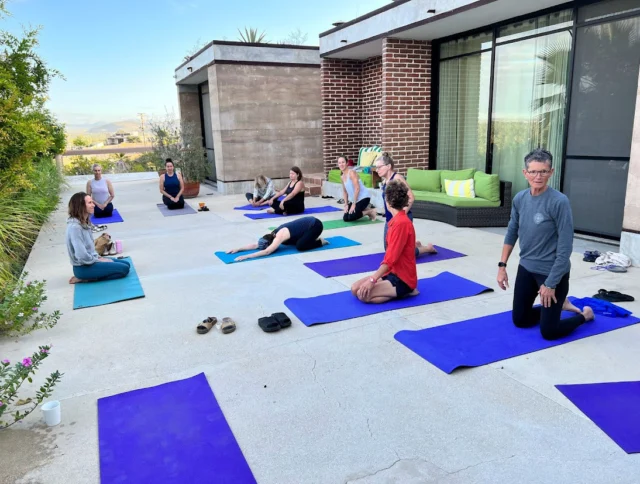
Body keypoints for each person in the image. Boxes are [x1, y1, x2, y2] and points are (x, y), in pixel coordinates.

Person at [497, 148, 594, 340]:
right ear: (525, 173)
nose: (538, 176)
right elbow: (511, 232)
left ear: (551, 172)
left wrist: (550, 283)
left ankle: (584, 315)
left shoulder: (559, 202)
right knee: (520, 320)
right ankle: (561, 304)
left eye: (543, 171)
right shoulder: (520, 198)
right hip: (527, 268)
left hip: (552, 272)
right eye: (533, 171)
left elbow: (565, 248)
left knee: (549, 332)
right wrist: (502, 266)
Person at [351, 181, 419, 303]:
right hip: (392, 273)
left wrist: (372, 280)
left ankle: (407, 291)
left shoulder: (401, 224)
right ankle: (397, 291)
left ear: (388, 202)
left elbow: (390, 259)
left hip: (403, 279)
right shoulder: (395, 221)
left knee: (363, 296)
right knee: (355, 289)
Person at [374, 152, 436, 257]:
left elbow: (411, 197)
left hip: (402, 219)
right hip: (390, 219)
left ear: (388, 166)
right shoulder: (385, 181)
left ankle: (427, 248)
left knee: (399, 254)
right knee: (388, 250)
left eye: (379, 167)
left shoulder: (397, 178)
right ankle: (415, 245)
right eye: (376, 168)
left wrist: (401, 215)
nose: (377, 170)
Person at [66, 192, 130, 284]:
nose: (93, 205)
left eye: (92, 202)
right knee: (124, 269)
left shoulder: (85, 222)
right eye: (90, 203)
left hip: (91, 261)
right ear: (81, 206)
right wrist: (99, 260)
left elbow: (89, 249)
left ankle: (92, 274)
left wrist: (99, 258)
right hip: (84, 267)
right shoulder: (75, 228)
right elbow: (81, 255)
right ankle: (85, 278)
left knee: (126, 264)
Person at [227, 216, 327, 262]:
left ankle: (320, 242)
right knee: (288, 243)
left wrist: (246, 256)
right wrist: (238, 249)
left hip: (315, 225)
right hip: (306, 226)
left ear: (271, 242)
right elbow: (255, 245)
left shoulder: (279, 236)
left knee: (300, 246)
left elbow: (267, 252)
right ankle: (307, 237)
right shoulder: (271, 235)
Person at [338, 156, 377, 222]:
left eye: (343, 162)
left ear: (347, 163)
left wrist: (354, 204)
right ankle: (365, 209)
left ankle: (370, 211)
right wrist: (346, 205)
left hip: (364, 198)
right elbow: (345, 191)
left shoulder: (352, 173)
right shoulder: (342, 177)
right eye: (339, 163)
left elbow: (357, 188)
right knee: (346, 218)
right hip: (355, 200)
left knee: (352, 216)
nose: (341, 164)